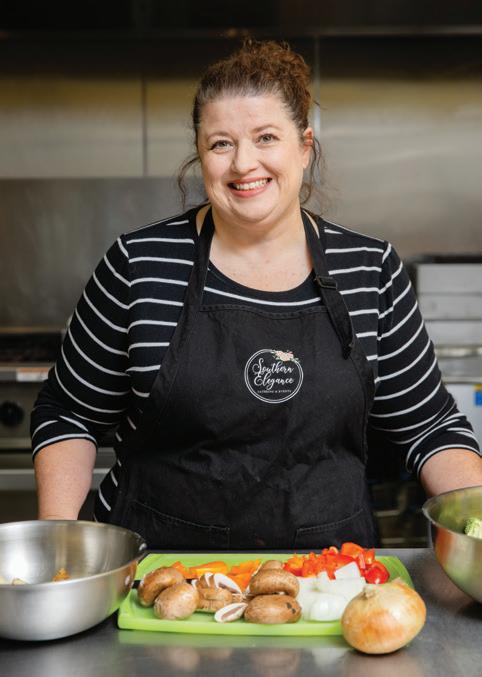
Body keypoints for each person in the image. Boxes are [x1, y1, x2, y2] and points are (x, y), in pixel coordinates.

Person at [31, 40, 482, 549]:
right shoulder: (139, 264)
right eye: (221, 144)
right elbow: (68, 412)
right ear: (200, 154)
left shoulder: (369, 270)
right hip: (158, 574)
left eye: (266, 137)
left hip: (329, 576)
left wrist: (477, 524)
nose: (244, 163)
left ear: (304, 147)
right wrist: (59, 544)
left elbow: (430, 428)